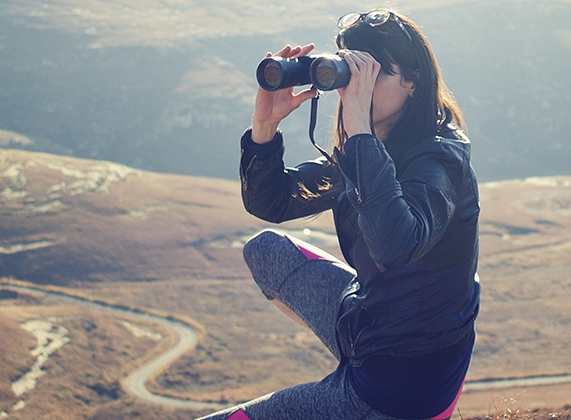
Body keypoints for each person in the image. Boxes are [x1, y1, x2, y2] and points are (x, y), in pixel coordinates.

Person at [198, 8, 480, 420]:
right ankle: (350, 362)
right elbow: (271, 203)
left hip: (400, 389)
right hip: (373, 322)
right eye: (353, 72)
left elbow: (397, 246)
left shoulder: (438, 161)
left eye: (377, 73)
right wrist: (265, 125)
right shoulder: (369, 147)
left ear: (413, 83)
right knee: (265, 251)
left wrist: (359, 129)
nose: (359, 89)